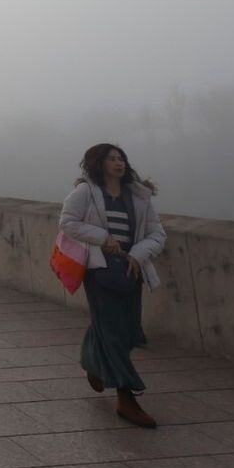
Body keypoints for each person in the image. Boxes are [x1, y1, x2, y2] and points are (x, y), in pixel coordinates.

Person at [59, 142, 166, 429]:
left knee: (128, 330)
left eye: (121, 159)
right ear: (99, 164)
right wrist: (103, 237)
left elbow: (157, 234)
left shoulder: (138, 196)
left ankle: (93, 360)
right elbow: (68, 222)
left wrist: (137, 254)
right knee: (113, 332)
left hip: (131, 268)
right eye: (111, 159)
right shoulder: (86, 192)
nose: (118, 163)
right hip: (100, 269)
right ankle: (126, 398)